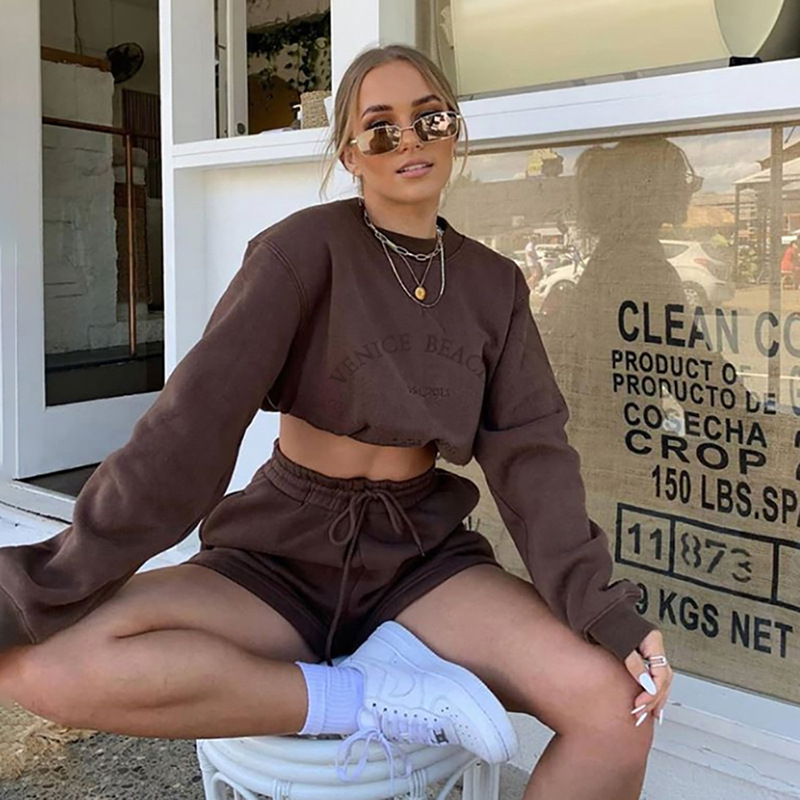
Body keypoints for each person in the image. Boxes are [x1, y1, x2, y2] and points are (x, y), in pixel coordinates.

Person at [0, 45, 671, 799]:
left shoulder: (494, 284)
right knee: (35, 666)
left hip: (420, 558)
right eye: (381, 128)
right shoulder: (299, 252)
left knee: (618, 708)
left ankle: (387, 672)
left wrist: (601, 607)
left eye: (430, 119)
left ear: (454, 132)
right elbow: (190, 425)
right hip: (279, 555)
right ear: (351, 154)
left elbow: (533, 457)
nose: (409, 140)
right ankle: (365, 696)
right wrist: (56, 575)